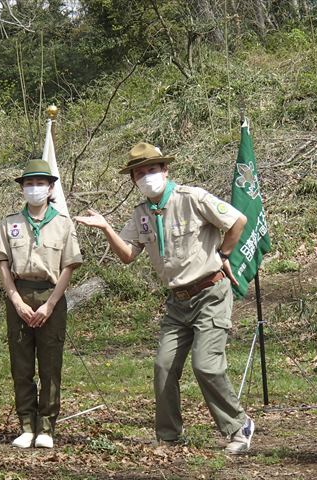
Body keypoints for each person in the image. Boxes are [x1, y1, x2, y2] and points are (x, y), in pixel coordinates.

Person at [75, 142, 255, 454]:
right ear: (133, 180)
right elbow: (128, 254)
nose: (147, 177)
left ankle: (239, 426)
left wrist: (223, 252)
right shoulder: (142, 214)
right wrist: (105, 227)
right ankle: (169, 435)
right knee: (163, 366)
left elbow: (237, 221)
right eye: (139, 173)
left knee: (206, 365)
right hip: (177, 301)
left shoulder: (192, 197)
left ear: (165, 170)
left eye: (152, 169)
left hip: (210, 293)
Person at [0, 160, 83, 449]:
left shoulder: (63, 223)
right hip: (19, 294)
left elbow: (68, 266)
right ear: (22, 189)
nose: (34, 188)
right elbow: (3, 263)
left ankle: (46, 427)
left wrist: (50, 304)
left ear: (50, 187)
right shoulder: (10, 223)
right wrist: (15, 300)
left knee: (50, 363)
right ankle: (26, 425)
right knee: (21, 364)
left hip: (50, 296)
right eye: (29, 184)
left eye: (40, 183)